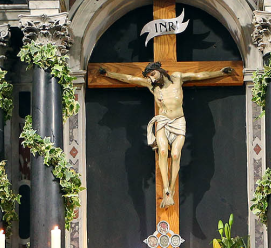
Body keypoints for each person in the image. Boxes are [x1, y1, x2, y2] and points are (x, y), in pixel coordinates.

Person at [98, 62, 234, 207]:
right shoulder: (152, 86)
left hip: (178, 122)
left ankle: (172, 188)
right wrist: (109, 74)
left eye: (152, 74)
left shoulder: (177, 78)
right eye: (149, 77)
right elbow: (129, 78)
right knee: (162, 151)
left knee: (175, 155)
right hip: (163, 121)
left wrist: (220, 72)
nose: (152, 79)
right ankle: (166, 190)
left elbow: (200, 75)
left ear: (159, 70)